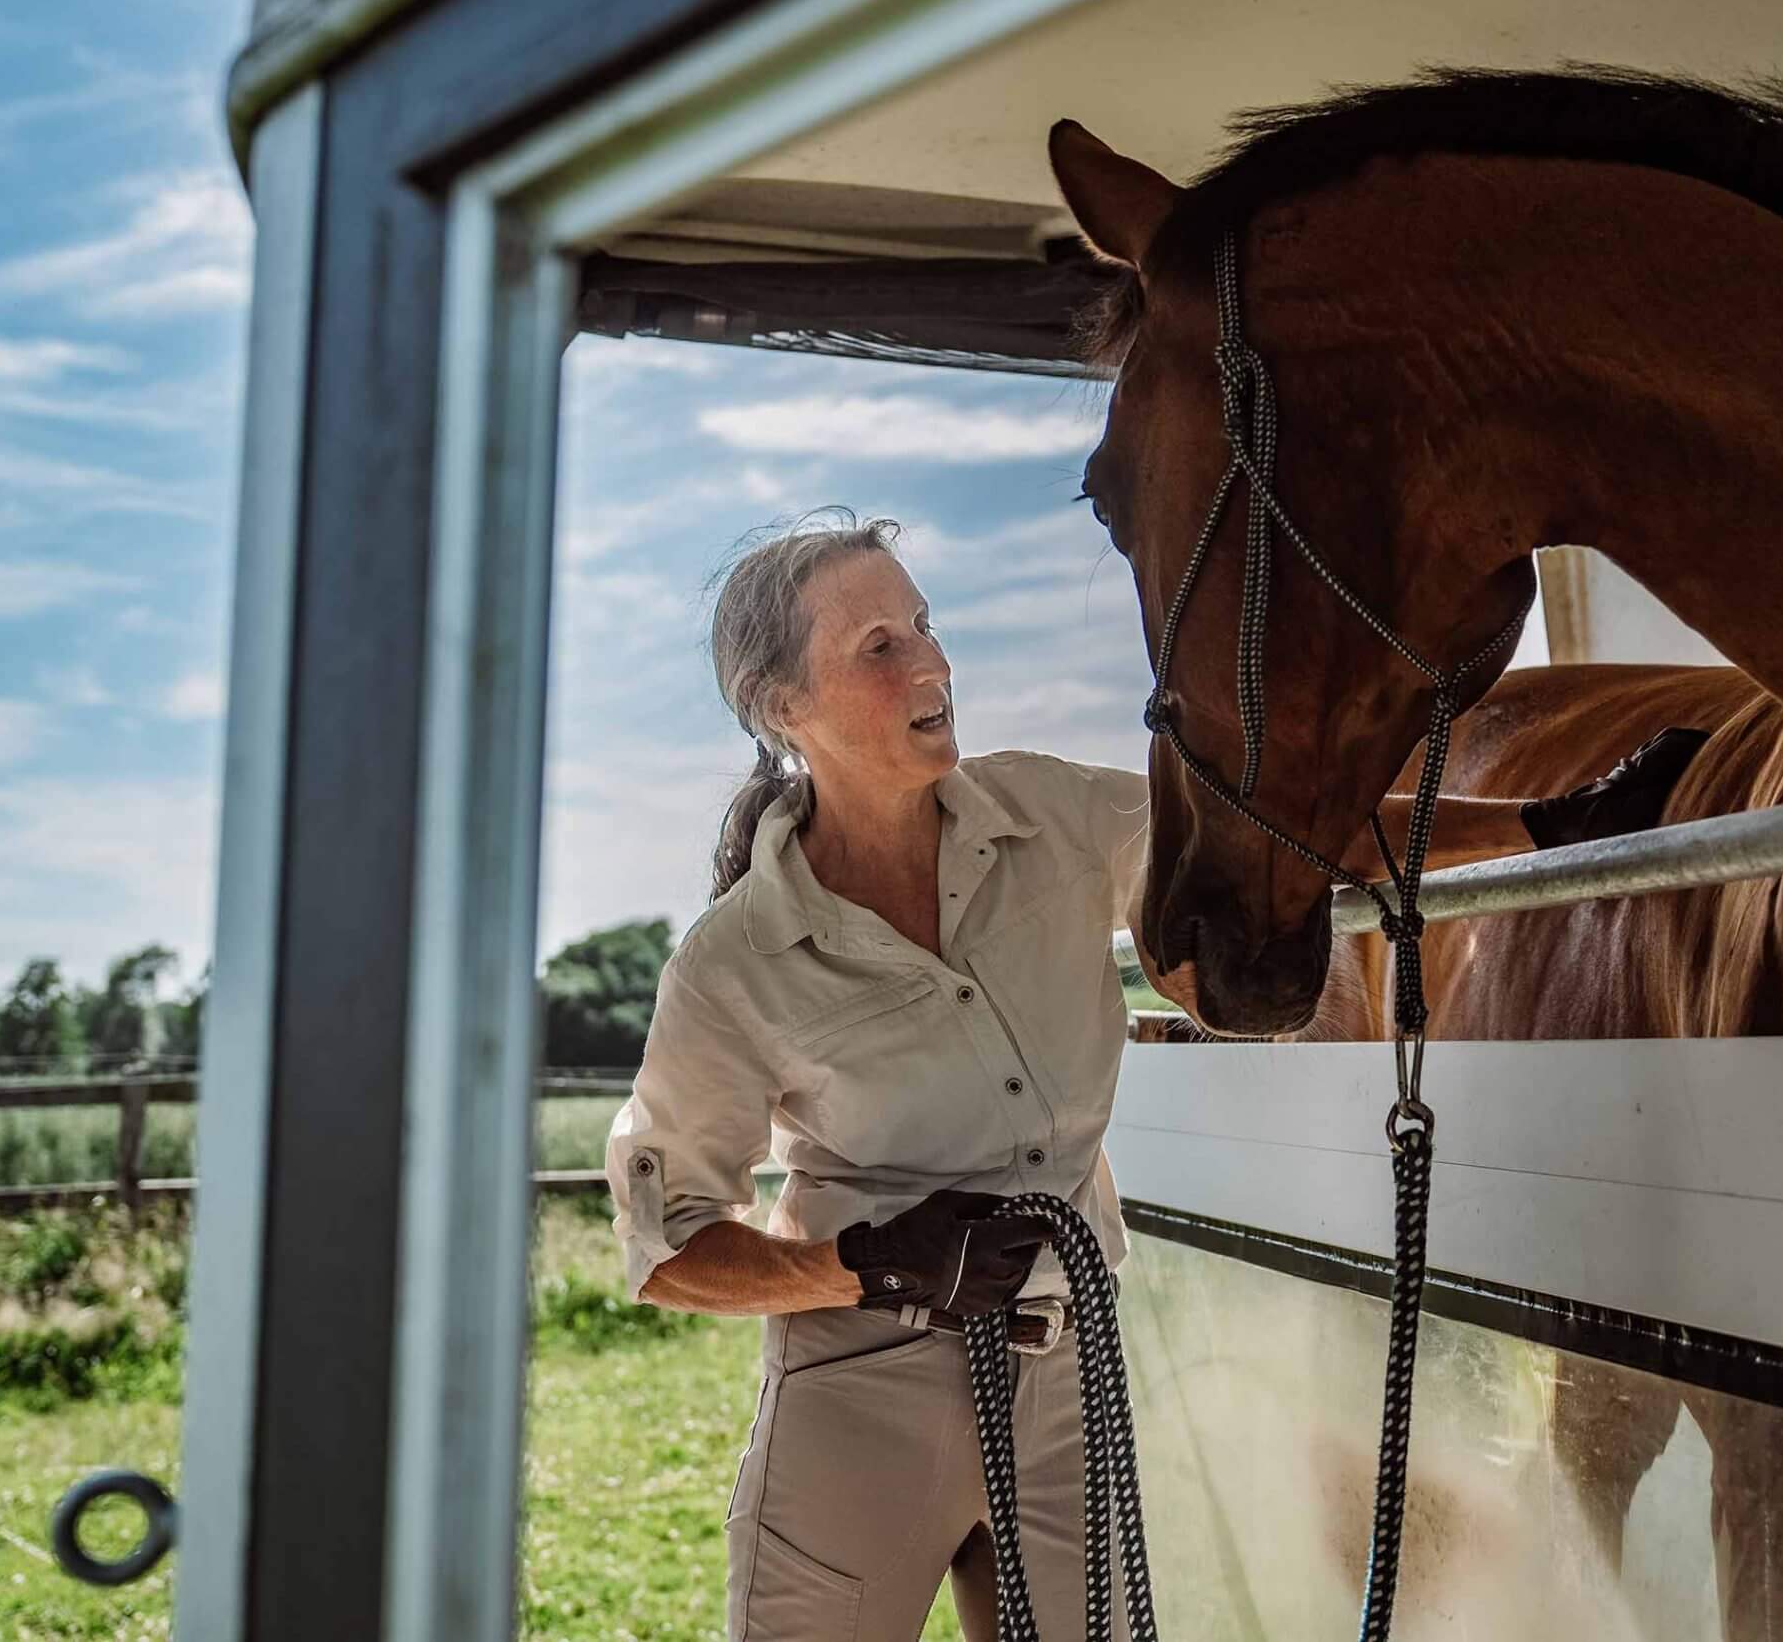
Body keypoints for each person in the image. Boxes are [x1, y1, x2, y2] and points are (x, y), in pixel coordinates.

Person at [604, 510, 1587, 1642]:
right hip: (863, 1390)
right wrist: (867, 1265)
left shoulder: (1055, 815)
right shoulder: (733, 962)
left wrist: (1547, 821)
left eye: (924, 625)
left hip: (1073, 1376)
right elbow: (669, 1249)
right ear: (785, 709)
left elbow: (1277, 844)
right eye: (880, 646)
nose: (933, 661)